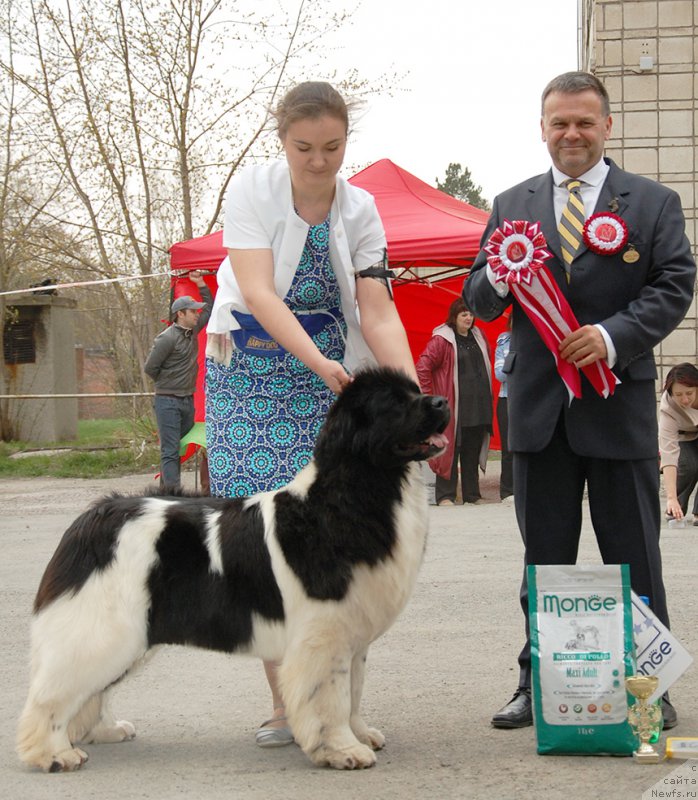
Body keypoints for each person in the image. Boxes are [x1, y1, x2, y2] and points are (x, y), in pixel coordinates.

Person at [462, 71, 695, 730]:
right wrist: (500, 284)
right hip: (539, 413)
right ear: (543, 129)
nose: (571, 134)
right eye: (559, 123)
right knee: (544, 560)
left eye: (584, 122)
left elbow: (674, 283)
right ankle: (537, 682)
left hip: (616, 407)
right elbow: (479, 295)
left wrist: (612, 335)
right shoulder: (512, 203)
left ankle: (650, 685)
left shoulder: (650, 203)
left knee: (636, 556)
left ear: (606, 127)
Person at [204, 81, 419, 748]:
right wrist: (316, 362)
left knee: (336, 541)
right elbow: (262, 294)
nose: (319, 161)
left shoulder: (362, 211)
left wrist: (414, 401)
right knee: (262, 542)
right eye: (305, 148)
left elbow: (378, 310)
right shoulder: (251, 193)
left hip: (330, 380)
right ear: (282, 140)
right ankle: (286, 706)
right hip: (252, 376)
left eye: (332, 147)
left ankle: (338, 706)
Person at [416, 298, 491, 506]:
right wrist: (429, 398)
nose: (469, 318)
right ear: (454, 317)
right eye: (463, 314)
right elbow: (422, 366)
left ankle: (472, 495)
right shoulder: (442, 339)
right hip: (453, 406)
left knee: (472, 449)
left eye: (470, 314)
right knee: (449, 449)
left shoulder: (479, 335)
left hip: (477, 404)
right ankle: (445, 496)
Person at [144, 271, 212, 491]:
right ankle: (172, 495)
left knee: (178, 449)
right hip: (168, 401)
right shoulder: (166, 338)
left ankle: (167, 490)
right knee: (171, 450)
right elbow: (150, 367)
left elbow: (209, 309)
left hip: (186, 400)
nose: (196, 314)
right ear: (180, 314)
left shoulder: (191, 332)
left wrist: (201, 283)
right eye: (192, 311)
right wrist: (168, 383)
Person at [660, 363, 698, 525]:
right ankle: (675, 507)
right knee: (688, 466)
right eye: (678, 394)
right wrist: (670, 497)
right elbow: (668, 455)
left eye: (689, 393)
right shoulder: (668, 407)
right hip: (685, 436)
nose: (684, 399)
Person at [494, 318, 513, 502]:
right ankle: (507, 491)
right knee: (508, 448)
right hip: (507, 399)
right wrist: (514, 361)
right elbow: (499, 374)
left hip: (529, 400)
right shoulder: (504, 341)